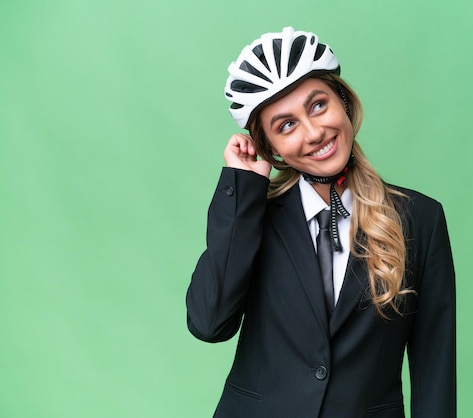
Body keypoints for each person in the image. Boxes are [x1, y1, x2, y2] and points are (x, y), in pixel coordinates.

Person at [186, 27, 456, 418]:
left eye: (317, 106)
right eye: (286, 126)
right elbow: (209, 323)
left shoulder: (421, 218)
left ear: (343, 103)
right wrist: (244, 189)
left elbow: (434, 367)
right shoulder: (253, 215)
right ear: (270, 148)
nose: (314, 133)